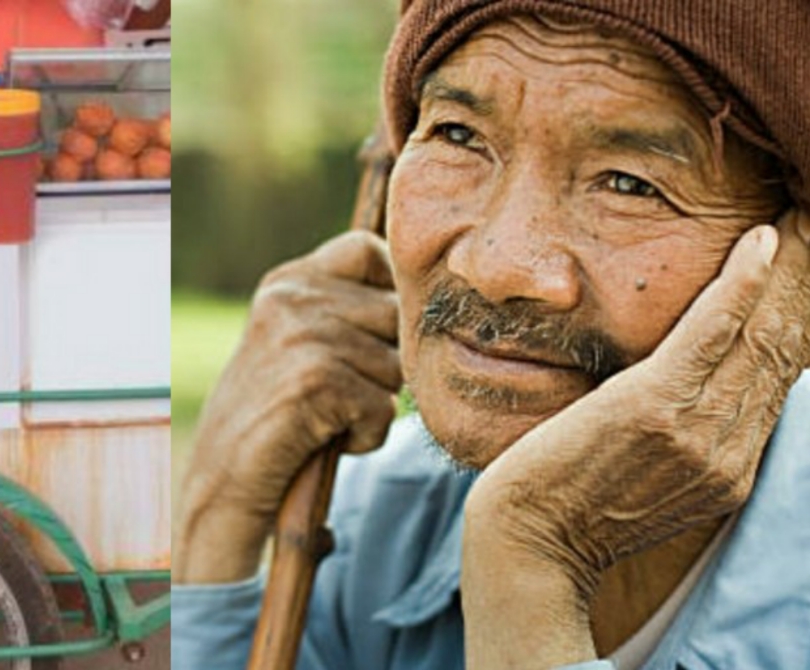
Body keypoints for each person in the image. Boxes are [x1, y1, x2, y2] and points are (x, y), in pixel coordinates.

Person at [171, 2, 810, 669]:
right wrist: (215, 521)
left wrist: (531, 555)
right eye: (459, 137)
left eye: (629, 184)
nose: (498, 265)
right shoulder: (375, 528)